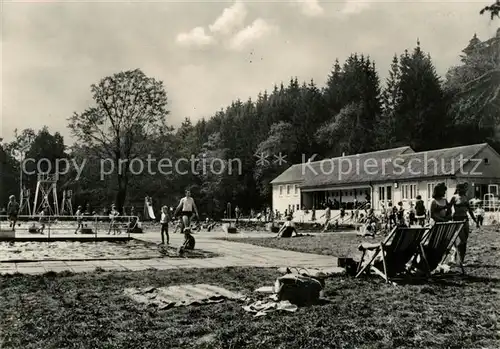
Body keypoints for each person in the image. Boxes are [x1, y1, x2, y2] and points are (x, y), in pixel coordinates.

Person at [449, 183, 477, 267]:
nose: (464, 191)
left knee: (465, 241)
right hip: (457, 220)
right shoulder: (454, 197)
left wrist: (475, 220)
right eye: (462, 189)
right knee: (461, 240)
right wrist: (449, 217)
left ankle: (461, 260)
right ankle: (456, 258)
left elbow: (469, 210)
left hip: (465, 220)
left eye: (464, 189)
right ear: (458, 189)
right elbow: (449, 208)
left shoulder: (465, 197)